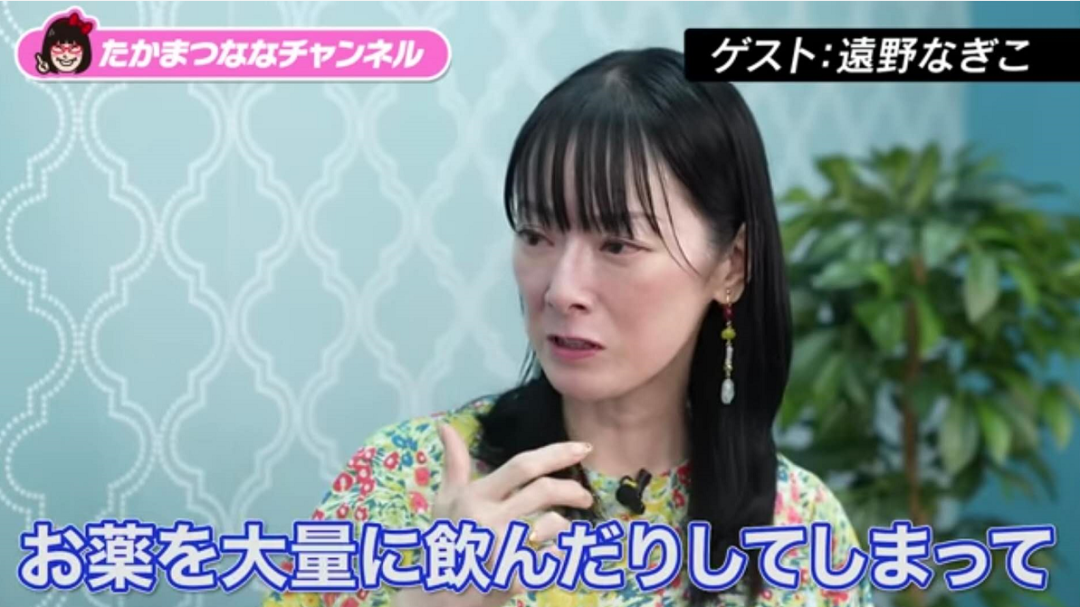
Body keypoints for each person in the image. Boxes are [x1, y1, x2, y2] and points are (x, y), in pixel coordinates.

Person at [262, 47, 875, 607]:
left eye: (618, 244)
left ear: (731, 267)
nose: (561, 290)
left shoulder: (800, 524)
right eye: (536, 235)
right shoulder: (407, 476)